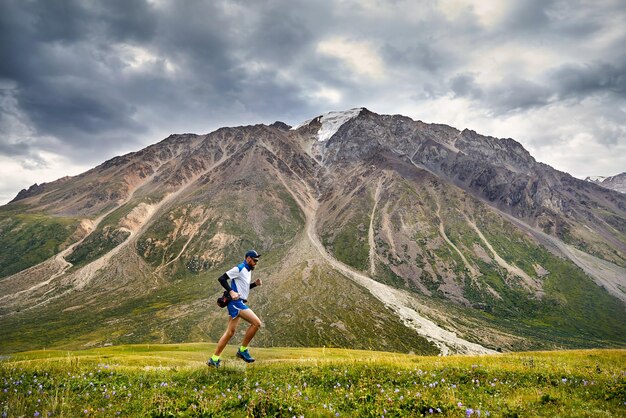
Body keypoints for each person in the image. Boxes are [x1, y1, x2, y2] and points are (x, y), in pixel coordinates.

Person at [208, 250, 263, 367]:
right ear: (248, 258)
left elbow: (243, 287)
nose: (256, 263)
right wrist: (231, 291)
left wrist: (254, 284)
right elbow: (222, 278)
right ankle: (242, 350)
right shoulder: (240, 268)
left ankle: (214, 359)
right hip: (236, 303)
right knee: (256, 323)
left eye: (257, 261)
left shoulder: (247, 271)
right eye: (254, 260)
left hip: (238, 302)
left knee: (230, 333)